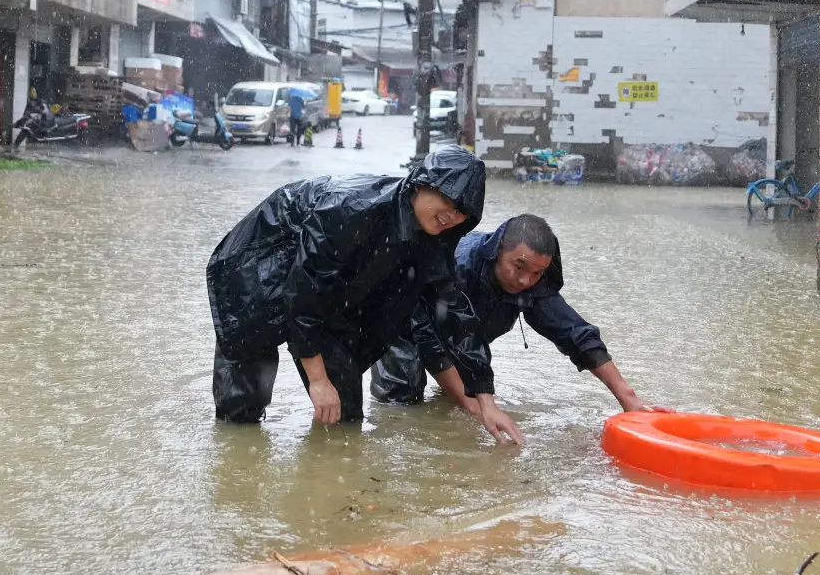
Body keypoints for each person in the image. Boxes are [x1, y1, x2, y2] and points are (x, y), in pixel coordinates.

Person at [205, 147, 526, 444]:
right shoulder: (348, 210)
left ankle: (326, 484)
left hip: (325, 293)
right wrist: (317, 380)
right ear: (419, 185)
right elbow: (303, 297)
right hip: (255, 274)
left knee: (343, 413)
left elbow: (453, 312)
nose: (451, 216)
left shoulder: (434, 241)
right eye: (448, 202)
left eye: (462, 214)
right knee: (242, 413)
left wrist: (485, 399)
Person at [370, 214, 667, 414]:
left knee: (461, 400)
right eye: (519, 267)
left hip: (465, 334)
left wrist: (628, 399)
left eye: (537, 272)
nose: (525, 280)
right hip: (404, 323)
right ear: (499, 249)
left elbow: (575, 333)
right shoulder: (458, 265)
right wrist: (477, 408)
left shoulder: (532, 284)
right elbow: (429, 340)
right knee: (403, 405)